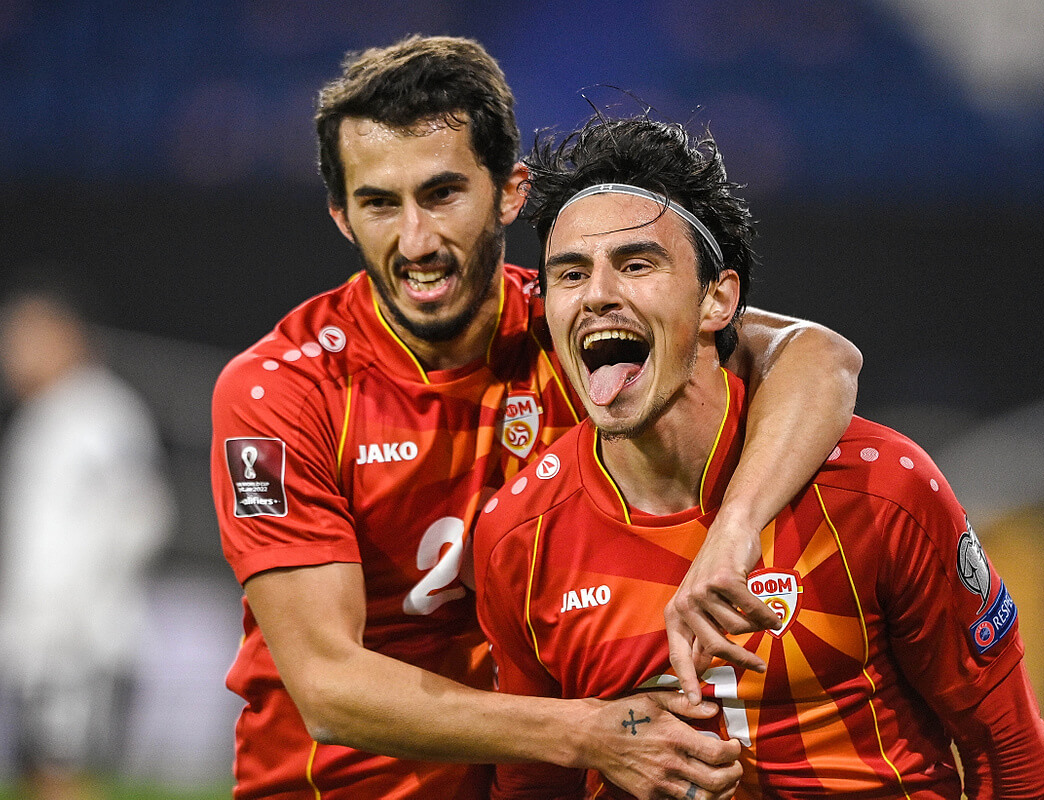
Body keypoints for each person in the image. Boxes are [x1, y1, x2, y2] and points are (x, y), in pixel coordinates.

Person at [210, 34, 862, 800]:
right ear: (342, 217)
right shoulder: (281, 392)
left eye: (443, 194)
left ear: (510, 192)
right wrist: (591, 732)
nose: (416, 240)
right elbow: (327, 687)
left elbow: (820, 357)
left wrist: (735, 530)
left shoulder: (580, 326)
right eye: (380, 203)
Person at [473, 113, 1044, 798]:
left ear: (718, 300)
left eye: (636, 265)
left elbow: (1010, 753)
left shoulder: (877, 490)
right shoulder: (519, 538)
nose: (599, 294)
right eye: (571, 274)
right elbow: (533, 783)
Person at [0, 271, 174, 800]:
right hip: (40, 638)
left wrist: (79, 616)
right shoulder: (46, 415)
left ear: (66, 336)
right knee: (39, 772)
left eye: (25, 338)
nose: (12, 355)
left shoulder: (100, 413)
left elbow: (142, 517)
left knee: (66, 774)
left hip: (82, 641)